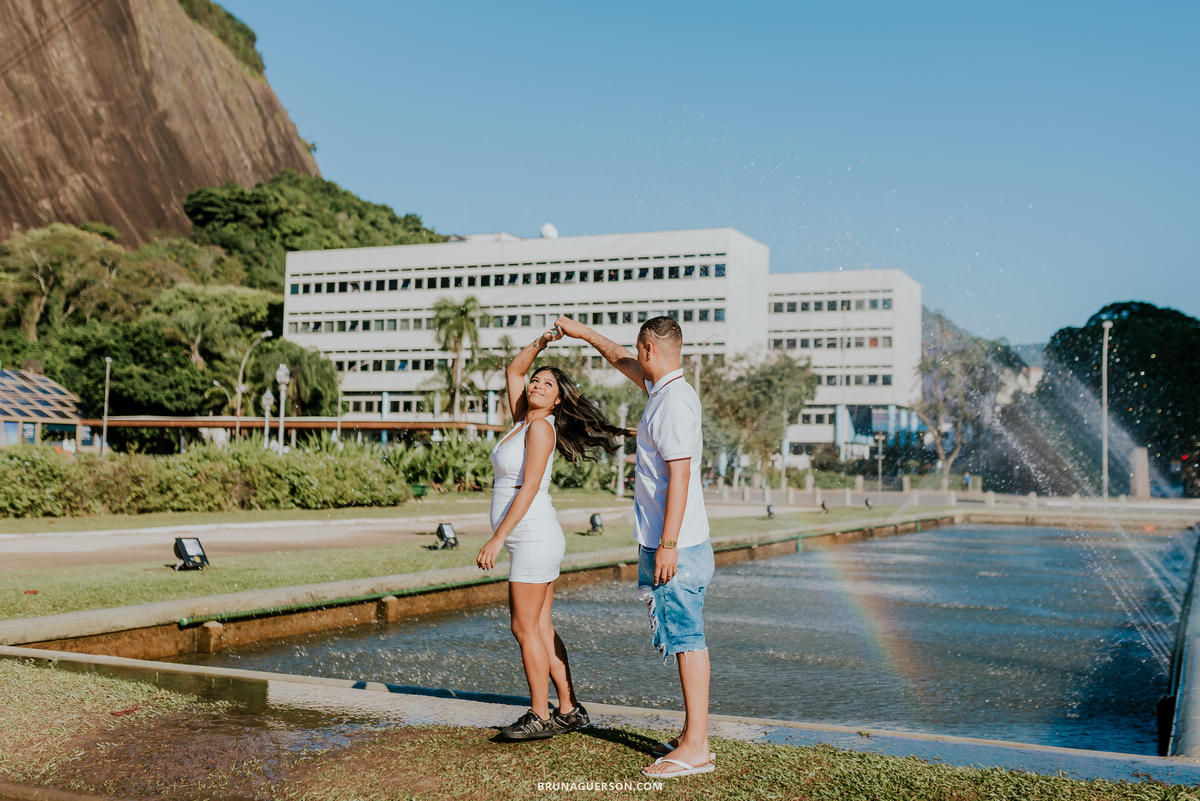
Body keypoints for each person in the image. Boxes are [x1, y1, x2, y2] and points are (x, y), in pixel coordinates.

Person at [555, 314, 716, 779]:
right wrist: (583, 333)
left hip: (677, 546)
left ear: (649, 347)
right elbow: (621, 358)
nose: (634, 358)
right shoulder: (666, 390)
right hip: (680, 542)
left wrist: (666, 544)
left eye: (638, 350)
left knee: (688, 641)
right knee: (686, 638)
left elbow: (681, 478)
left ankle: (697, 749)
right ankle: (691, 739)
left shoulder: (671, 405)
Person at [477, 325, 624, 741]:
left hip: (532, 534)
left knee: (523, 628)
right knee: (540, 628)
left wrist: (496, 538)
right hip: (531, 536)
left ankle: (539, 715)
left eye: (548, 384)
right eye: (537, 381)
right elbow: (513, 371)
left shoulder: (541, 429)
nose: (537, 385)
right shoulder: (523, 421)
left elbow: (527, 489)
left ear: (559, 399)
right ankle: (570, 708)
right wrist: (542, 344)